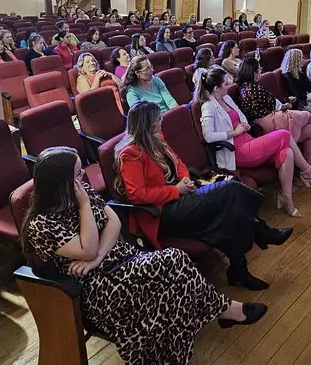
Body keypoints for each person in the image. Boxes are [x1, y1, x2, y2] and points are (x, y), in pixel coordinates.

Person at [21, 147, 267, 365]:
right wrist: (86, 209)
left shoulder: (81, 190)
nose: (83, 175)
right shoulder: (42, 224)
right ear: (60, 182)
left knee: (173, 281)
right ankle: (225, 310)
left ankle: (218, 318)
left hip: (123, 261)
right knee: (174, 261)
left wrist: (98, 256)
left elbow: (114, 221)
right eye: (77, 173)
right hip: (97, 288)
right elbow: (88, 248)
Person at [116, 102, 292, 291]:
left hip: (182, 195)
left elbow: (178, 162)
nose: (161, 120)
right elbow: (137, 195)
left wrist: (184, 180)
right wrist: (176, 190)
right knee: (232, 190)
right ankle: (260, 231)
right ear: (147, 123)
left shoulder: (157, 137)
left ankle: (239, 271)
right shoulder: (130, 154)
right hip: (163, 211)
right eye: (158, 118)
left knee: (229, 214)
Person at [197, 67, 311, 218]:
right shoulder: (208, 107)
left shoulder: (227, 98)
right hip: (236, 150)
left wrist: (244, 124)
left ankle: (287, 199)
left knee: (287, 153)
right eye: (225, 84)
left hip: (248, 140)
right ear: (216, 88)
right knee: (284, 135)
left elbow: (241, 115)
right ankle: (307, 171)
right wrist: (234, 132)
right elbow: (209, 136)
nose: (229, 85)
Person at [237, 56, 311, 169]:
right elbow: (273, 104)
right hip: (268, 121)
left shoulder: (245, 87)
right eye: (259, 69)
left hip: (269, 118)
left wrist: (284, 101)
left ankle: (309, 168)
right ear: (253, 72)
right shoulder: (253, 87)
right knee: (307, 115)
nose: (261, 71)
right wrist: (285, 105)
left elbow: (270, 101)